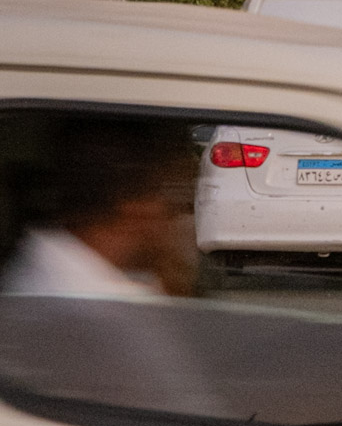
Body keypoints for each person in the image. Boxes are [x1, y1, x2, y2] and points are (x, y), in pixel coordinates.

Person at [2, 113, 198, 298]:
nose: (181, 216)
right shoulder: (109, 302)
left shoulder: (37, 265)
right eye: (176, 199)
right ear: (137, 207)